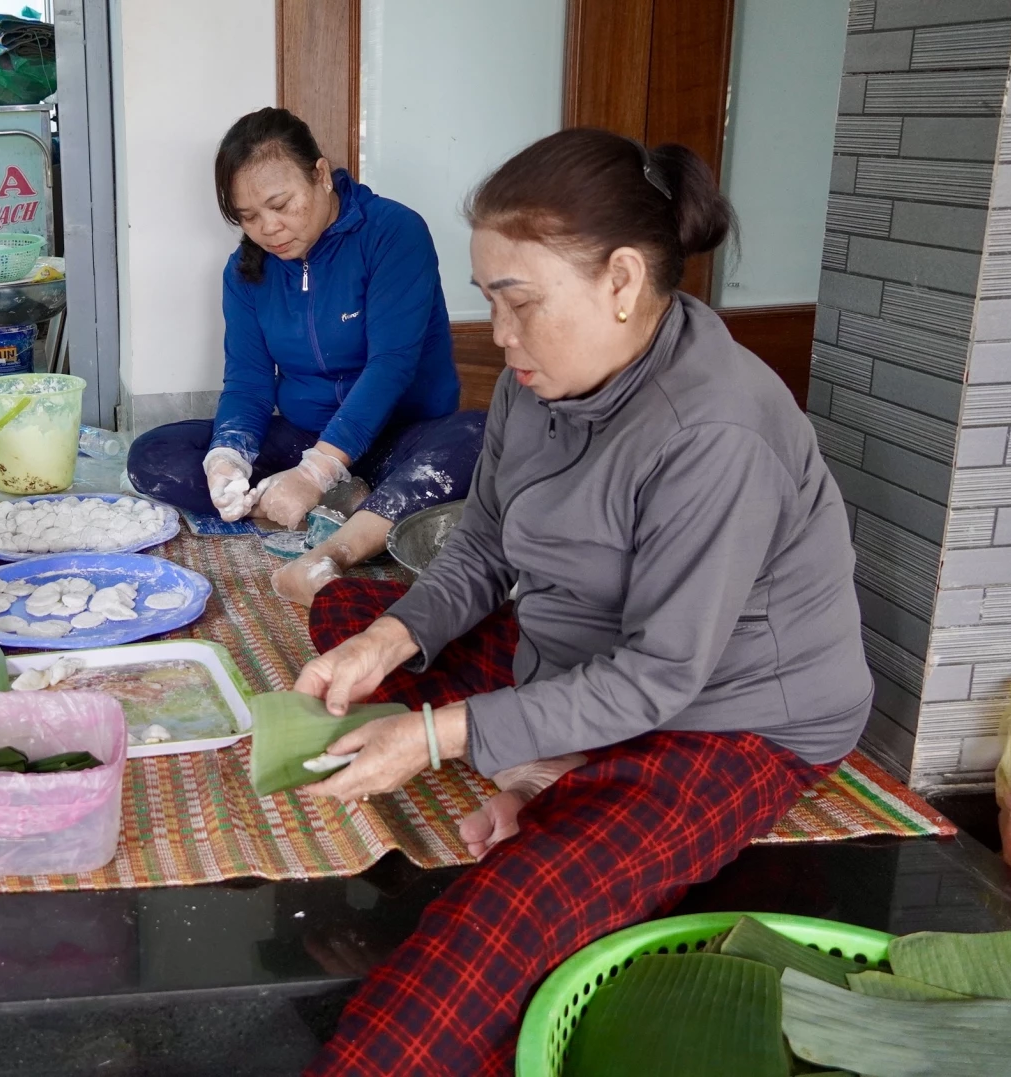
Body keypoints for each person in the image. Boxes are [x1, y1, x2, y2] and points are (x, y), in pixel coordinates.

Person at [291, 129, 873, 1074]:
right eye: (489, 300)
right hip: (587, 645)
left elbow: (659, 677)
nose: (500, 332)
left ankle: (569, 785)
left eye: (519, 302)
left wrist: (444, 737)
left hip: (729, 712)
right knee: (350, 629)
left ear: (622, 282)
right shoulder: (539, 376)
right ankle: (553, 763)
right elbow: (481, 540)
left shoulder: (715, 432)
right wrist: (395, 637)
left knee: (518, 906)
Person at [125, 107, 484, 605]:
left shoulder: (393, 232)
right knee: (153, 456)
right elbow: (249, 383)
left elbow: (391, 366)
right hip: (302, 437)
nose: (269, 229)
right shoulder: (244, 272)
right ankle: (356, 510)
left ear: (320, 175)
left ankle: (336, 540)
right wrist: (228, 457)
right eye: (248, 217)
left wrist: (318, 470)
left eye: (281, 204)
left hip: (400, 437)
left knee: (483, 439)